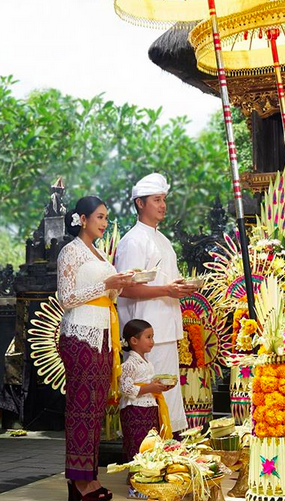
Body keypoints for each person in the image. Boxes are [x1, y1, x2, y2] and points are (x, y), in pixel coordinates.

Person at [58, 196, 135, 501]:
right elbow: (66, 298)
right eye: (100, 217)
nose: (104, 223)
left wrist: (119, 283)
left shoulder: (100, 254)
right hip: (80, 336)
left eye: (106, 218)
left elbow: (108, 293)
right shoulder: (70, 252)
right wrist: (106, 285)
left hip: (104, 334)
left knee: (95, 411)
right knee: (81, 409)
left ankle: (88, 478)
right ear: (82, 219)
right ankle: (79, 481)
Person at [115, 173, 194, 433]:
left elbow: (163, 284)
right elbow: (124, 288)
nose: (163, 205)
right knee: (149, 396)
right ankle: (150, 451)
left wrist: (179, 287)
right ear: (140, 203)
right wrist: (167, 290)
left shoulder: (162, 240)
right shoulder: (133, 240)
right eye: (157, 200)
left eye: (164, 200)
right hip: (144, 334)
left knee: (168, 392)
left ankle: (169, 448)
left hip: (164, 328)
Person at [120, 319, 175, 499]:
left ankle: (145, 480)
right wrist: (150, 388)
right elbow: (126, 389)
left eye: (153, 337)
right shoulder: (129, 364)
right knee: (136, 446)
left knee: (148, 446)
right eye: (148, 337)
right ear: (134, 341)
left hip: (149, 408)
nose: (152, 341)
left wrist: (160, 387)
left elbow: (148, 385)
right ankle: (135, 486)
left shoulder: (146, 363)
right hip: (134, 411)